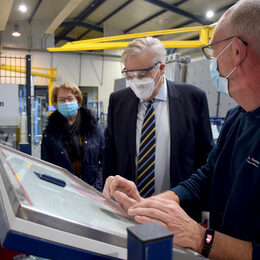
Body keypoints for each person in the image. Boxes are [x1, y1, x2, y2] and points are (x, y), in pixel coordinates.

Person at [103, 0, 260, 259]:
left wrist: (201, 238)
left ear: (236, 52)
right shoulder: (238, 117)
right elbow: (207, 175)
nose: (215, 67)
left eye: (214, 53)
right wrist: (156, 204)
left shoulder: (194, 99)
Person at [103, 37, 214, 219]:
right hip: (128, 210)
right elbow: (110, 154)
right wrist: (109, 197)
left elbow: (205, 158)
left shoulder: (193, 98)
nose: (135, 81)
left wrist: (202, 207)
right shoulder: (118, 101)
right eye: (129, 75)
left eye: (142, 75)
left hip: (177, 211)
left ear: (162, 68)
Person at [41, 82, 104, 191]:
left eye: (70, 99)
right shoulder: (50, 134)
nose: (66, 103)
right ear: (56, 104)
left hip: (92, 190)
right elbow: (47, 167)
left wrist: (97, 187)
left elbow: (105, 161)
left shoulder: (94, 128)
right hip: (63, 192)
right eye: (61, 100)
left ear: (78, 101)